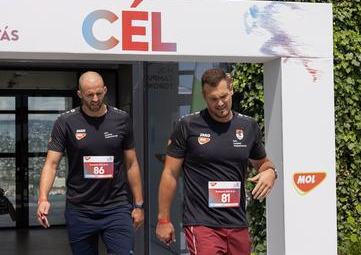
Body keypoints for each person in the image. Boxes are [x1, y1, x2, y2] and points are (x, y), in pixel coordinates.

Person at [156, 68, 277, 255]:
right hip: (202, 223)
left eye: (224, 96)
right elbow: (170, 173)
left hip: (237, 223)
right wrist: (163, 219)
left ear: (231, 91)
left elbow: (263, 163)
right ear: (204, 97)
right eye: (213, 99)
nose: (220, 103)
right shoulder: (188, 125)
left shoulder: (248, 126)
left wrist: (270, 172)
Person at [36, 71, 144, 255]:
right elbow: (51, 164)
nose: (95, 99)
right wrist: (43, 198)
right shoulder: (66, 122)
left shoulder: (121, 119)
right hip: (80, 209)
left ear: (105, 90)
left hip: (116, 207)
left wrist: (139, 205)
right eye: (89, 95)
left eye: (99, 93)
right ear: (79, 94)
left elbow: (131, 163)